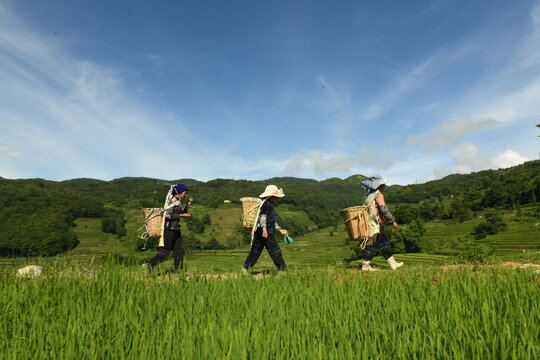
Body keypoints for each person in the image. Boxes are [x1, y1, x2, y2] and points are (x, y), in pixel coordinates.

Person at [144, 184, 193, 273]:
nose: (185, 195)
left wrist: (188, 204)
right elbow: (167, 215)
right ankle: (150, 265)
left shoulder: (178, 201)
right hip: (169, 229)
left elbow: (182, 213)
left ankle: (178, 270)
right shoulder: (172, 201)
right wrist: (181, 215)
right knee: (165, 251)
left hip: (175, 229)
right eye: (185, 193)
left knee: (179, 250)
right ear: (179, 192)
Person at [360, 175, 403, 271]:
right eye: (383, 185)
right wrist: (393, 221)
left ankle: (393, 264)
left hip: (371, 223)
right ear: (379, 186)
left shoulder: (369, 196)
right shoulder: (378, 195)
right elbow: (384, 209)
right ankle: (365, 266)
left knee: (384, 242)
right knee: (372, 244)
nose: (384, 187)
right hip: (376, 224)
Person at [242, 185, 288, 273]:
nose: (278, 199)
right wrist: (264, 230)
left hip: (261, 231)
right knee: (275, 250)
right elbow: (263, 217)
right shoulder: (267, 205)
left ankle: (245, 269)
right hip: (265, 232)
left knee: (256, 250)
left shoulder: (267, 204)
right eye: (276, 197)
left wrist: (280, 229)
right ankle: (282, 270)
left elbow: (271, 221)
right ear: (272, 197)